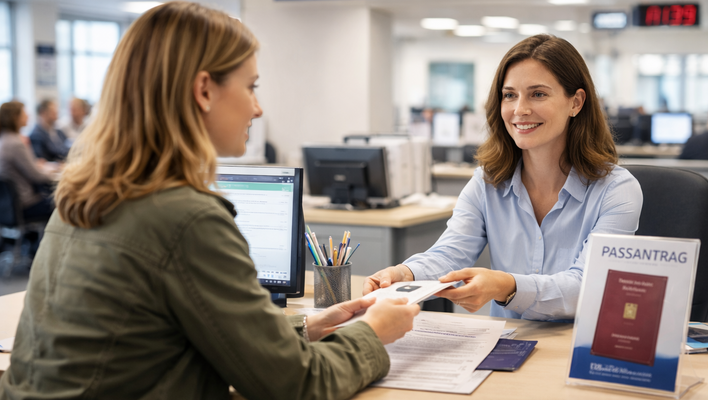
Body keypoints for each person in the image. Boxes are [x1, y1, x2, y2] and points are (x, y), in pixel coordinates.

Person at [0, 3, 419, 400]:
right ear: (204, 89)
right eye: (251, 87)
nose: (257, 108)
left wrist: (307, 325)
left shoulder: (85, 194)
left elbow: (167, 336)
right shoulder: (184, 217)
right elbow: (299, 384)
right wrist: (374, 333)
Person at [364, 34, 643, 322]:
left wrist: (508, 287)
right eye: (509, 95)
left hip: (578, 349)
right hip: (505, 344)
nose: (519, 110)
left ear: (576, 102)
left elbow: (588, 285)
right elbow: (450, 254)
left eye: (538, 94)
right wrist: (404, 274)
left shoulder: (616, 190)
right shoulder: (486, 183)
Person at [0, 101, 56, 223]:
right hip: (25, 205)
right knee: (64, 203)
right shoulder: (16, 143)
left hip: (7, 208)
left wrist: (35, 164)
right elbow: (38, 177)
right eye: (24, 113)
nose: (28, 116)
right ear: (15, 117)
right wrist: (61, 175)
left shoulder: (4, 139)